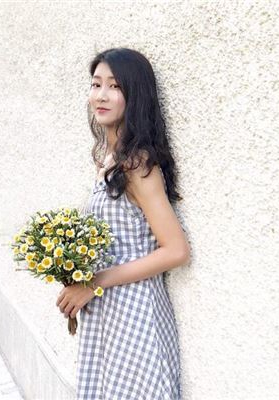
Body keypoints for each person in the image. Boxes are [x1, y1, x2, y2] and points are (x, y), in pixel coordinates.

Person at [55, 47, 190, 400]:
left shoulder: (137, 165)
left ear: (135, 96)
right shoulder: (110, 159)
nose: (101, 95)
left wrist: (94, 283)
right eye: (96, 84)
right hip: (110, 313)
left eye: (114, 86)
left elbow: (176, 250)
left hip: (135, 314)